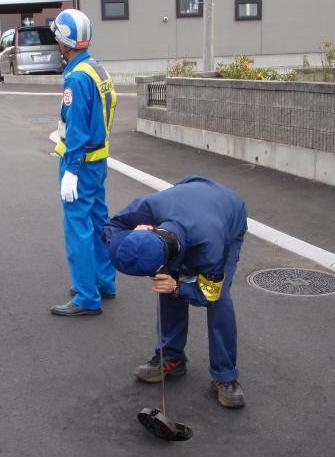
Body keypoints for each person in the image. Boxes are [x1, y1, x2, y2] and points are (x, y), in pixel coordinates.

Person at [104, 177, 248, 408]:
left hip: (227, 213)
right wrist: (134, 233)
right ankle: (171, 358)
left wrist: (178, 286)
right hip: (187, 199)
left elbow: (208, 293)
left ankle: (225, 376)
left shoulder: (210, 247)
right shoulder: (147, 208)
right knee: (167, 282)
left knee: (219, 300)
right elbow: (111, 227)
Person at [49, 9, 117, 317]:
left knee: (78, 227)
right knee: (98, 222)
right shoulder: (97, 69)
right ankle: (104, 282)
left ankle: (87, 297)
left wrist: (71, 173)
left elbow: (76, 129)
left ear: (64, 41)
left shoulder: (75, 79)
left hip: (80, 163)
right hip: (99, 160)